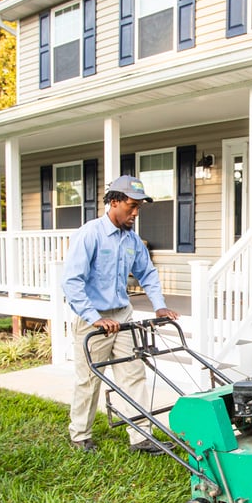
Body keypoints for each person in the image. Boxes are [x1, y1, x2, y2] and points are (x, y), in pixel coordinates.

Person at [62, 175, 179, 453]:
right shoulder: (90, 234)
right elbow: (72, 282)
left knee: (133, 374)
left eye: (139, 207)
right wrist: (94, 318)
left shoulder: (132, 240)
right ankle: (80, 434)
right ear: (114, 202)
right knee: (89, 378)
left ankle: (140, 437)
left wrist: (159, 304)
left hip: (122, 315)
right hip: (94, 319)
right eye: (131, 206)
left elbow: (147, 272)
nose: (136, 213)